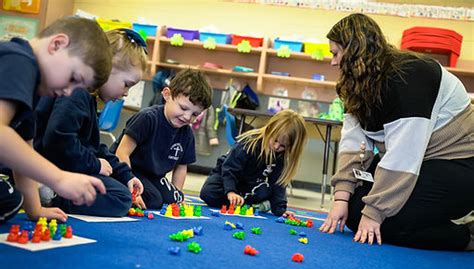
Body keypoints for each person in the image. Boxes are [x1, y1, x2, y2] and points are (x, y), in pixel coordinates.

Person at [319, 13, 474, 251]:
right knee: (353, 213)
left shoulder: (411, 76)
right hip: (416, 160)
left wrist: (376, 212)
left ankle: (466, 235)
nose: (333, 62)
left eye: (336, 53)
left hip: (459, 163)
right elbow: (353, 143)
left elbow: (404, 155)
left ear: (354, 51)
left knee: (388, 223)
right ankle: (429, 217)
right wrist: (341, 197)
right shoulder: (357, 85)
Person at [0, 16, 112, 223]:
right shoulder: (19, 60)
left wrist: (35, 210)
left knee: (9, 199)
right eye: (73, 79)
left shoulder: (33, 92)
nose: (68, 92)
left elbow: (23, 153)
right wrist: (58, 178)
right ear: (57, 44)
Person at [34, 28, 148, 217]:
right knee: (119, 197)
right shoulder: (78, 92)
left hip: (61, 165)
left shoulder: (86, 96)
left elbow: (92, 146)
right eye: (126, 84)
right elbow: (57, 140)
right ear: (106, 68)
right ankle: (50, 196)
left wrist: (125, 174)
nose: (126, 93)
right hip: (49, 167)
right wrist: (94, 164)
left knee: (120, 191)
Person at [111, 69, 213, 209]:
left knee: (173, 199)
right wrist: (129, 181)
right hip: (128, 169)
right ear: (167, 95)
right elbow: (122, 152)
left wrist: (178, 194)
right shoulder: (147, 118)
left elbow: (181, 167)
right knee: (154, 200)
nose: (187, 117)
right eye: (183, 108)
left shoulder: (187, 133)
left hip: (153, 176)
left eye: (195, 114)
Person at [200, 109, 308, 217]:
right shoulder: (248, 143)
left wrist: (280, 209)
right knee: (208, 192)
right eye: (275, 140)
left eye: (283, 146)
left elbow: (278, 184)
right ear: (269, 130)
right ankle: (249, 204)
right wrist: (231, 192)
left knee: (265, 190)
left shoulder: (281, 156)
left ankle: (246, 203)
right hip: (227, 175)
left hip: (250, 185)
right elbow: (229, 169)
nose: (276, 147)